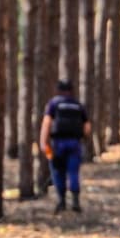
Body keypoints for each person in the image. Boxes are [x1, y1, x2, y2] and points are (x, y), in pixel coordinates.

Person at [40, 79, 91, 212]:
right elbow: (87, 127)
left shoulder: (54, 104)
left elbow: (47, 123)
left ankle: (61, 201)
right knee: (73, 172)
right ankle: (75, 201)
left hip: (58, 144)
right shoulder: (78, 105)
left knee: (58, 172)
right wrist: (83, 139)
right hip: (75, 143)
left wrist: (43, 142)